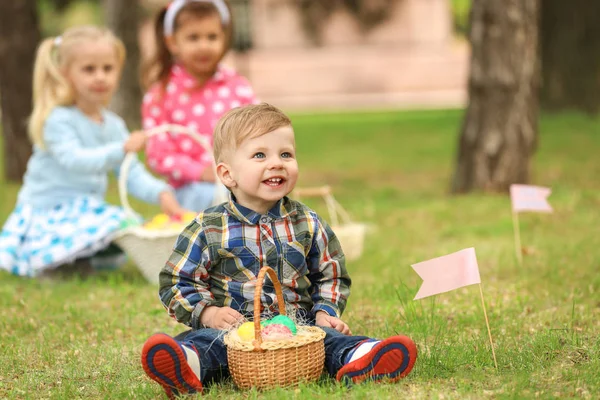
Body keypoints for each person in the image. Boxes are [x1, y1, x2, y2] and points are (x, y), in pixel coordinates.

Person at [140, 103, 417, 398]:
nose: (277, 163)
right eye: (260, 155)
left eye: (286, 154)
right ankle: (186, 366)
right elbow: (176, 280)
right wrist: (208, 313)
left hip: (298, 330)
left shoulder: (306, 222)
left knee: (328, 341)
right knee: (207, 345)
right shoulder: (209, 227)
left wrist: (325, 311)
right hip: (234, 333)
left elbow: (331, 273)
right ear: (227, 174)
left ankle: (364, 356)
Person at [0, 26, 187, 278]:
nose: (100, 77)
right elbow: (75, 160)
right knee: (117, 221)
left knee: (129, 222)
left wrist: (160, 192)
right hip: (50, 210)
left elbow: (130, 173)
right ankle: (52, 265)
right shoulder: (58, 120)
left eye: (108, 69)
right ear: (65, 74)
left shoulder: (113, 125)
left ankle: (74, 261)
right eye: (89, 69)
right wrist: (121, 148)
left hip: (84, 208)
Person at [141, 0, 258, 212]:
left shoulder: (237, 87)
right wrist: (201, 172)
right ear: (173, 42)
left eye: (212, 37)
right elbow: (158, 155)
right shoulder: (161, 95)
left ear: (224, 38)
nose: (204, 45)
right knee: (220, 200)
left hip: (238, 181)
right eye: (193, 38)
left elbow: (258, 132)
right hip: (190, 190)